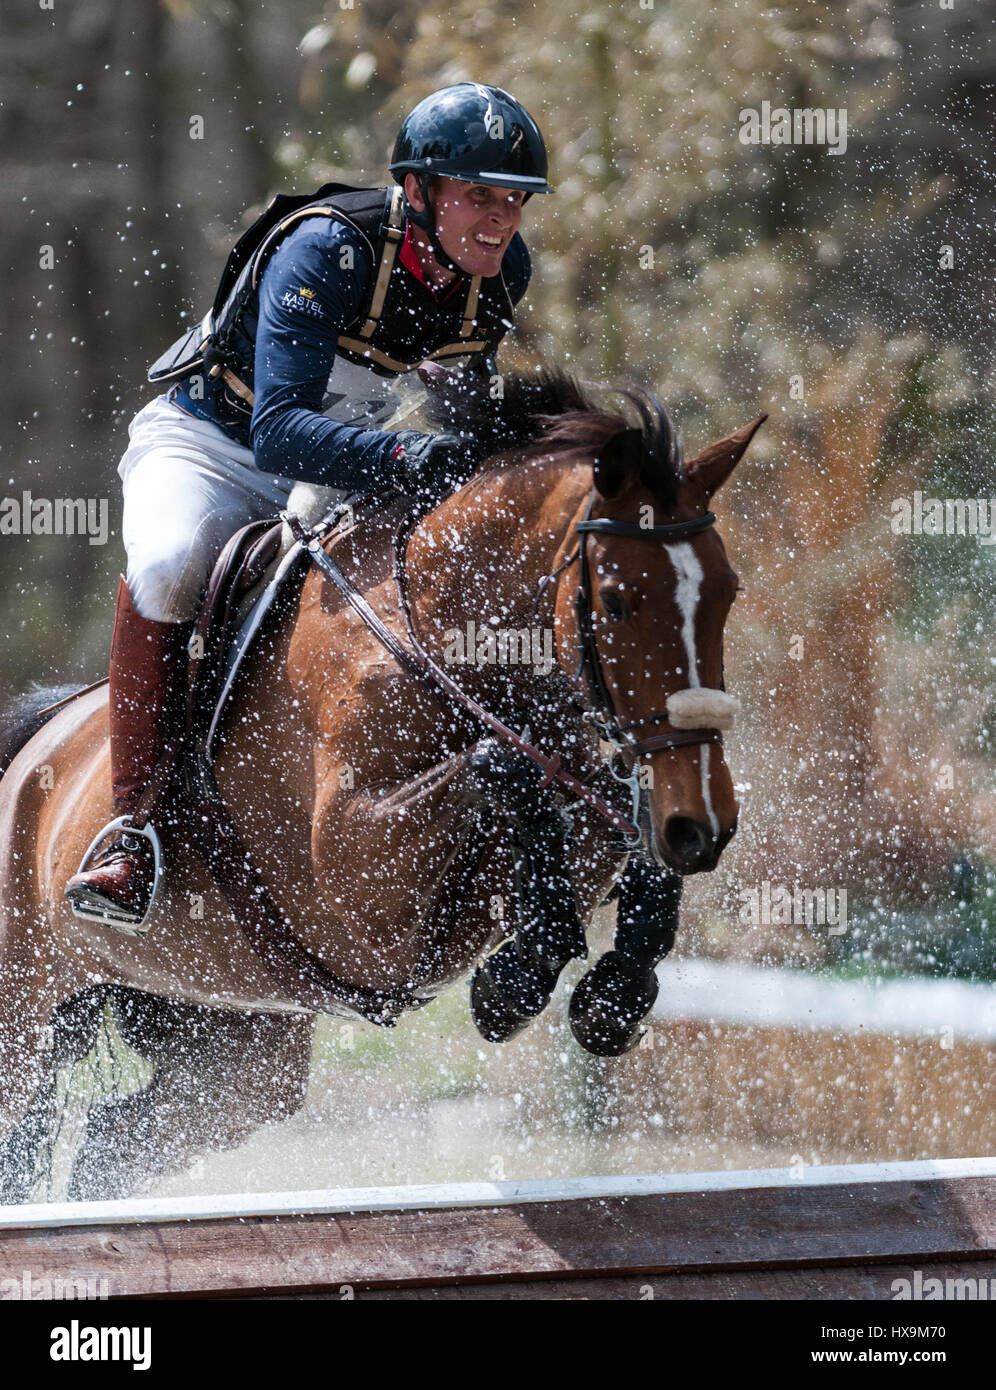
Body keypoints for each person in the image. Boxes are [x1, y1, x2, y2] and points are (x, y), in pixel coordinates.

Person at [64, 82, 553, 933]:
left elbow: (458, 410)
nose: (499, 219)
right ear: (419, 191)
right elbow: (280, 431)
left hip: (341, 458)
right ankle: (131, 831)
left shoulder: (500, 273)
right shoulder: (327, 249)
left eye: (513, 200)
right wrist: (410, 455)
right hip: (217, 446)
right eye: (478, 195)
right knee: (172, 562)